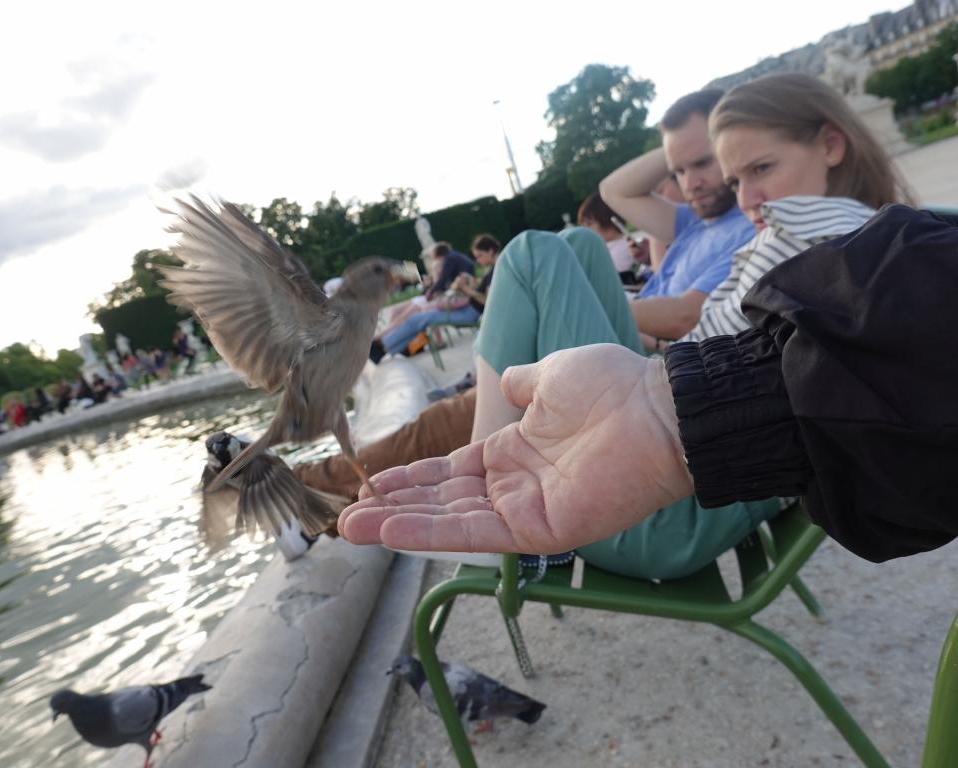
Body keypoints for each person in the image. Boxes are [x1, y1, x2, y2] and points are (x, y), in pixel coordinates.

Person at [337, 74, 920, 567]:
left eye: (755, 167)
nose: (745, 196)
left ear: (832, 146)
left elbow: (714, 333)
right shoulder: (817, 241)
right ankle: (354, 479)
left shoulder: (815, 243)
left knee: (536, 255)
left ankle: (481, 488)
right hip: (666, 449)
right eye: (735, 176)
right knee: (572, 249)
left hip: (662, 498)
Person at [600, 88, 755, 342]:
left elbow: (685, 318)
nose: (690, 184)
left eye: (702, 162)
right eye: (678, 171)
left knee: (537, 250)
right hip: (633, 324)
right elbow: (613, 191)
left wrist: (595, 310)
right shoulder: (694, 220)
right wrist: (678, 146)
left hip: (650, 350)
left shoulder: (751, 227)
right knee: (577, 243)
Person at [370, 235, 501, 363]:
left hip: (470, 312)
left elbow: (487, 300)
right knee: (417, 319)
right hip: (468, 308)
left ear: (490, 250)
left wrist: (465, 288)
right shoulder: (494, 269)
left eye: (480, 256)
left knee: (417, 319)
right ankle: (385, 348)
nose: (477, 260)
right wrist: (471, 283)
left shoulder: (496, 270)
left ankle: (382, 346)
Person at [576, 192, 637, 284]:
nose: (586, 230)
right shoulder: (609, 247)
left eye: (589, 224)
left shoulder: (622, 248)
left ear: (605, 219)